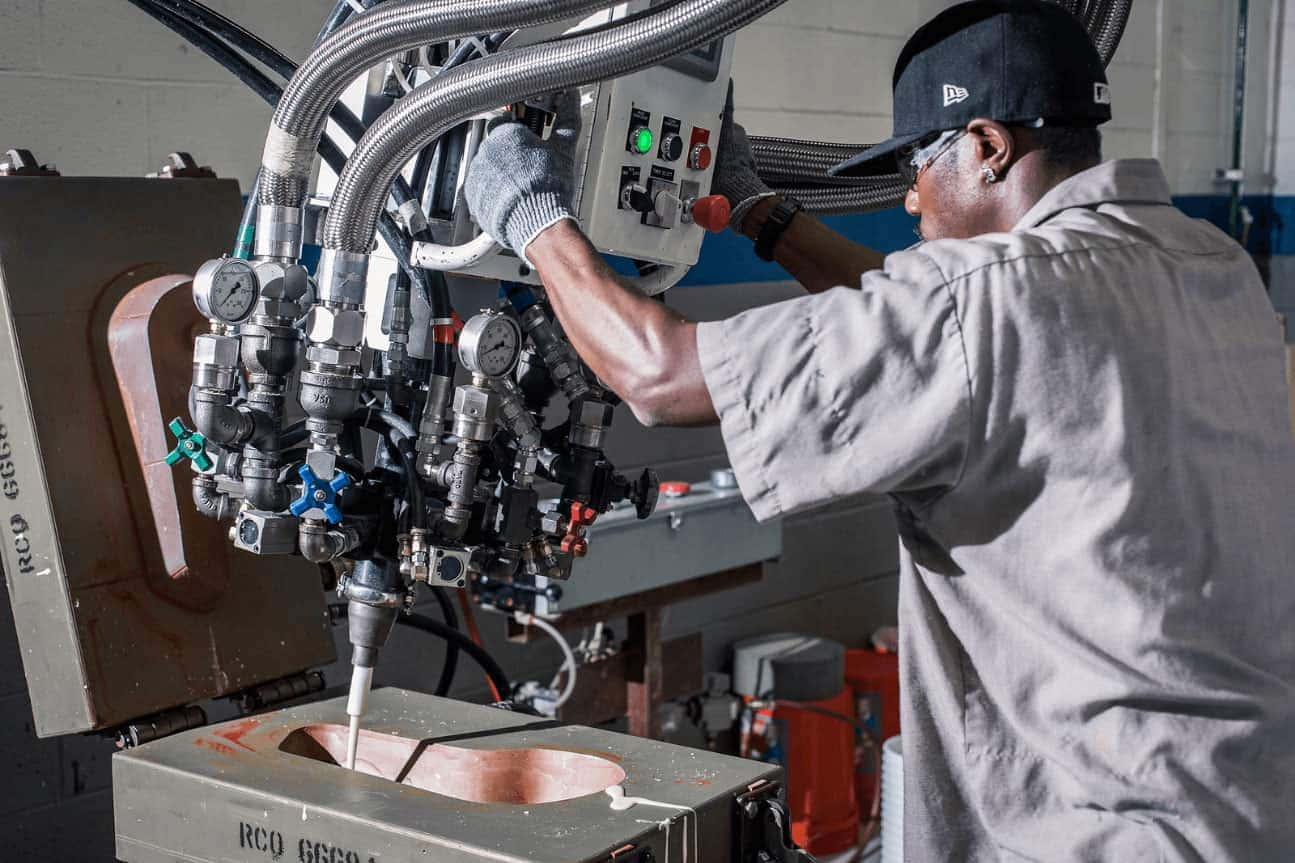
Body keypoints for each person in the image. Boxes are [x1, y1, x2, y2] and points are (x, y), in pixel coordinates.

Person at [464, 1, 1295, 860]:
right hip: (1250, 807)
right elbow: (933, 329)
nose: (905, 195)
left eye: (915, 163)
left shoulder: (985, 306)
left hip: (1097, 830)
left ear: (985, 146)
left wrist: (534, 217)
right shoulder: (1207, 264)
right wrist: (761, 216)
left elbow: (658, 374)